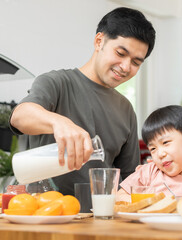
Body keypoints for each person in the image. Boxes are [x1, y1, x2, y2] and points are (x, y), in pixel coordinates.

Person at [9, 7, 156, 196]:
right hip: (48, 215)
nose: (126, 67)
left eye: (136, 62)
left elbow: (129, 180)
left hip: (101, 221)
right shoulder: (57, 82)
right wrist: (59, 122)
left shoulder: (126, 109)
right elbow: (20, 116)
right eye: (120, 53)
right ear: (99, 41)